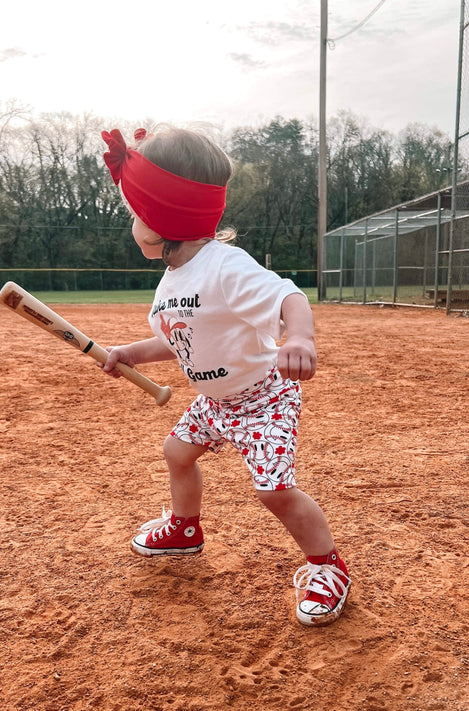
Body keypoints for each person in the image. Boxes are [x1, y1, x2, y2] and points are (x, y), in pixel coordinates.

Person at [99, 125, 351, 626]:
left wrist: (298, 339)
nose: (132, 226)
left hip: (262, 400)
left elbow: (288, 296)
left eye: (134, 215)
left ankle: (328, 567)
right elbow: (179, 340)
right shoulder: (174, 281)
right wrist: (131, 352)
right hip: (217, 401)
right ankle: (184, 529)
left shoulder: (224, 265)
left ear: (158, 221)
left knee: (273, 491)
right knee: (177, 451)